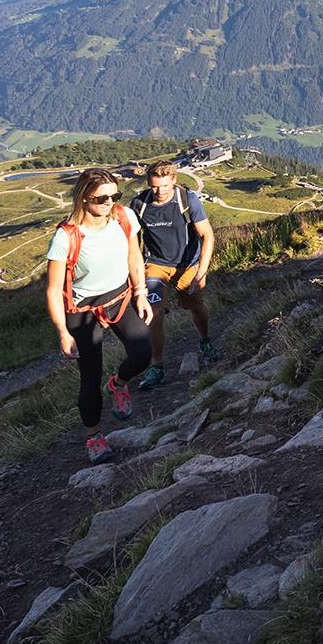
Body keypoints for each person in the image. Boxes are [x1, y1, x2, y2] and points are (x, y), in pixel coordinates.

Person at [44, 167, 152, 463]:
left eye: (114, 195)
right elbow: (54, 290)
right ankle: (94, 436)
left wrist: (141, 292)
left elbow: (134, 255)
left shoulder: (124, 217)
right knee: (89, 376)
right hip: (82, 311)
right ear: (83, 197)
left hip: (120, 298)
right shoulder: (65, 237)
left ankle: (118, 383)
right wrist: (63, 332)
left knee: (143, 353)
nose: (109, 203)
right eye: (101, 198)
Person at [129, 159, 219, 389]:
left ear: (174, 181)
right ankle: (157, 367)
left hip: (187, 264)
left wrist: (201, 273)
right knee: (154, 314)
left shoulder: (187, 200)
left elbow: (207, 236)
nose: (158, 192)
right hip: (156, 265)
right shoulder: (139, 204)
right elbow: (133, 246)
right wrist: (136, 281)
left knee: (195, 306)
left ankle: (205, 341)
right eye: (154, 186)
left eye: (164, 186)